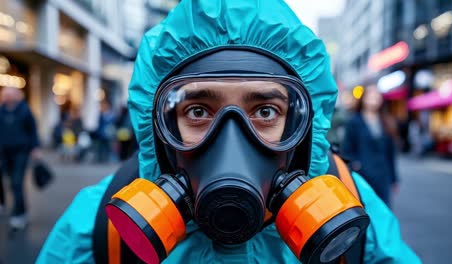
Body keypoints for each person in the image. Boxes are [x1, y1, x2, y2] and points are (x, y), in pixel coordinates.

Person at [37, 1, 420, 263]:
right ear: (159, 127)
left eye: (266, 111)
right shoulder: (101, 227)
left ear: (302, 128)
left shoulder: (351, 214)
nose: (232, 142)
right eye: (199, 110)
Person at [341, 85, 399, 207]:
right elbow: (347, 149)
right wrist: (356, 165)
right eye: (370, 96)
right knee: (366, 210)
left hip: (382, 175)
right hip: (363, 176)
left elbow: (390, 153)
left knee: (383, 212)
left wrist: (394, 179)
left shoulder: (386, 121)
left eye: (376, 96)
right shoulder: (354, 122)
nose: (374, 99)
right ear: (364, 99)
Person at [0, 86, 40, 229]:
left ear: (17, 95)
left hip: (21, 152)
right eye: (4, 94)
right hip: (4, 152)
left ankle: (20, 213)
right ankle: (3, 203)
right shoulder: (1, 110)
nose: (6, 97)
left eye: (9, 94)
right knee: (5, 179)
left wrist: (35, 147)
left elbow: (33, 129)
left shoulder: (24, 110)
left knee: (16, 182)